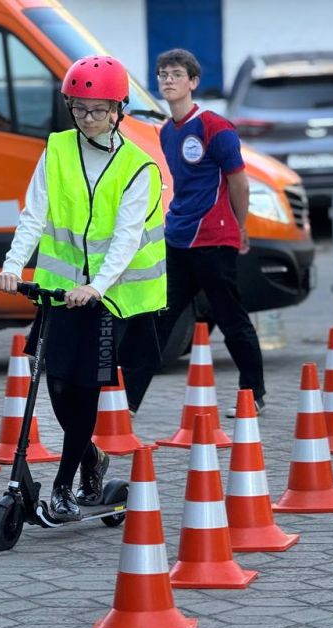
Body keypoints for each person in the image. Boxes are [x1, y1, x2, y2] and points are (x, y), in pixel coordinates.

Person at [0, 55, 166, 522]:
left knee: (84, 387)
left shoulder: (138, 168)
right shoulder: (57, 150)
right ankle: (91, 457)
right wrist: (12, 267)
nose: (87, 118)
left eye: (97, 109)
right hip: (59, 292)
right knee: (56, 385)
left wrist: (97, 286)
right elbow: (35, 215)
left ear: (118, 110)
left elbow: (128, 239)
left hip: (109, 298)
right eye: (78, 108)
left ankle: (66, 487)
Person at [123, 48, 265, 418]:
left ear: (193, 82)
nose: (167, 80)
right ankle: (128, 401)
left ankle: (254, 393)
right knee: (158, 318)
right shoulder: (167, 132)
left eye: (175, 74)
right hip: (178, 238)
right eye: (162, 75)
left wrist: (240, 226)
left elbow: (240, 183)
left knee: (230, 317)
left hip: (215, 239)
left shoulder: (216, 127)